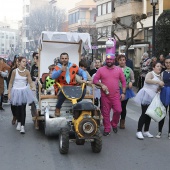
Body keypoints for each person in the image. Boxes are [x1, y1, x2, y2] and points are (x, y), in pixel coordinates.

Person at [93, 53, 126, 136]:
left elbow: (123, 82)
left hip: (116, 95)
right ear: (105, 60)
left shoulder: (118, 70)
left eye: (111, 59)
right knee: (105, 113)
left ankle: (114, 124)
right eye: (107, 59)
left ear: (114, 60)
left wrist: (123, 93)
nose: (109, 61)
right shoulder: (101, 70)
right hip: (105, 96)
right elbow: (95, 80)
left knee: (118, 110)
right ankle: (107, 128)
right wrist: (102, 85)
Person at [51, 52, 87, 117]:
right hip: (61, 86)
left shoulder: (73, 66)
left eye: (65, 58)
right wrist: (60, 70)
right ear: (60, 59)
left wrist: (85, 78)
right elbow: (53, 76)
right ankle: (58, 108)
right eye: (62, 58)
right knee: (63, 91)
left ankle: (75, 107)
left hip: (72, 86)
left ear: (68, 59)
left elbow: (82, 72)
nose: (64, 60)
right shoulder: (57, 67)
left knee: (83, 90)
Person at [135, 62, 164, 139]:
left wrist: (159, 88)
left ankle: (146, 131)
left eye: (160, 66)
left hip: (154, 97)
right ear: (154, 67)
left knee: (149, 114)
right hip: (146, 95)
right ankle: (139, 131)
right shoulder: (150, 73)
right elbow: (147, 80)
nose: (159, 68)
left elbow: (158, 86)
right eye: (157, 66)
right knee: (144, 113)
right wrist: (158, 82)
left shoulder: (160, 76)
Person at [8, 57, 36, 134]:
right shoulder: (14, 71)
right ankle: (19, 122)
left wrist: (33, 87)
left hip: (24, 91)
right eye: (23, 61)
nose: (25, 63)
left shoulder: (27, 72)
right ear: (19, 62)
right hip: (16, 91)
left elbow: (30, 81)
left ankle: (23, 126)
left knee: (23, 109)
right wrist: (9, 92)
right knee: (17, 109)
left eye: (25, 62)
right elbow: (10, 82)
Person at [118, 54, 135, 129]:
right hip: (116, 90)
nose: (122, 61)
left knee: (123, 106)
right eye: (120, 60)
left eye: (123, 60)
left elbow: (133, 79)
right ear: (118, 61)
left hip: (126, 90)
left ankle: (122, 121)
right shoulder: (115, 68)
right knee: (117, 107)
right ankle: (115, 120)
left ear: (125, 61)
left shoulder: (129, 69)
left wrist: (131, 82)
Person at [156, 56, 170, 139]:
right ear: (164, 64)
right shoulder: (162, 73)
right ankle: (159, 131)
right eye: (167, 63)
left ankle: (169, 133)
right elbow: (160, 82)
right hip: (164, 93)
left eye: (169, 63)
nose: (168, 64)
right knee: (162, 113)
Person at [7, 56, 19, 125]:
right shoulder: (12, 70)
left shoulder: (24, 70)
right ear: (15, 62)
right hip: (13, 89)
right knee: (13, 104)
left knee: (20, 105)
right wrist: (9, 90)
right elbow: (9, 80)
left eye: (19, 61)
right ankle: (14, 116)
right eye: (17, 61)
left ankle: (20, 119)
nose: (18, 63)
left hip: (20, 90)